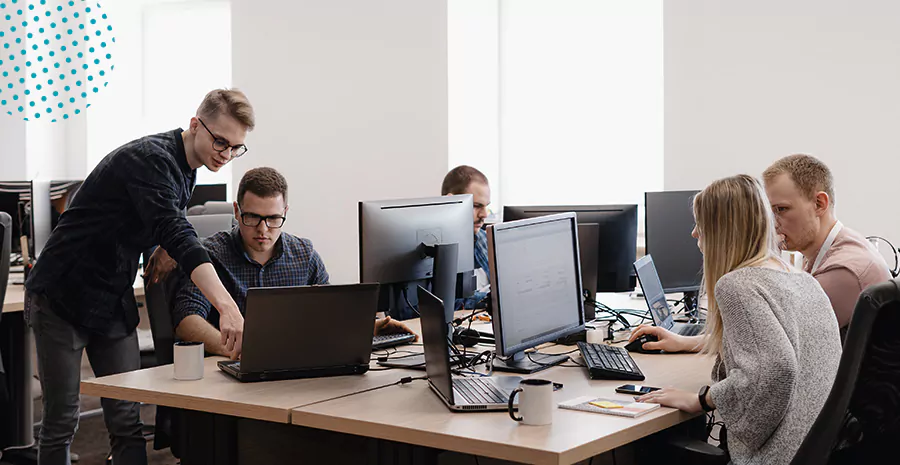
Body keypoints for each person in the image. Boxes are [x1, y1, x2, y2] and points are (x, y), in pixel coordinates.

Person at [24, 89, 254, 465]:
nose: (226, 154)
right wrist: (227, 307)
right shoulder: (150, 159)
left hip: (111, 298)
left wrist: (161, 246)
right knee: (62, 420)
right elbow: (177, 229)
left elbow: (161, 216)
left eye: (235, 148)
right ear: (196, 125)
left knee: (128, 417)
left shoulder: (189, 165)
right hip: (62, 293)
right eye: (220, 141)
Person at [628, 174, 842, 465]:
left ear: (721, 229)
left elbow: (776, 369)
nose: (694, 233)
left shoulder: (737, 285)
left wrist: (700, 400)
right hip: (815, 449)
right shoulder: (802, 279)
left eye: (700, 224)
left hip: (775, 456)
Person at [172, 168, 415, 354]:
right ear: (237, 211)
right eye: (252, 217)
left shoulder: (304, 255)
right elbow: (187, 321)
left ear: (285, 212)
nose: (263, 229)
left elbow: (329, 316)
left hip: (294, 369)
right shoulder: (211, 255)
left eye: (273, 219)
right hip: (234, 375)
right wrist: (234, 350)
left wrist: (371, 328)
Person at [763, 154, 890, 334]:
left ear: (819, 204)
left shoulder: (844, 270)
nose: (774, 224)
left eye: (781, 209)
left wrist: (763, 259)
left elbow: (774, 339)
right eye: (770, 212)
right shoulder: (819, 253)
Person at [441, 165, 491, 310]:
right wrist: (492, 300)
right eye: (476, 206)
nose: (484, 215)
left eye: (486, 206)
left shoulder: (484, 239)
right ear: (450, 203)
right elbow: (444, 303)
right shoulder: (429, 249)